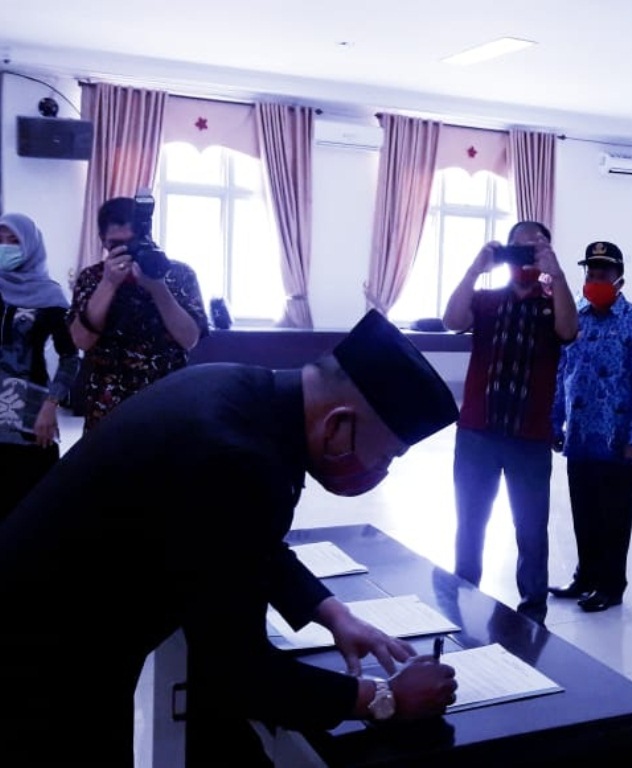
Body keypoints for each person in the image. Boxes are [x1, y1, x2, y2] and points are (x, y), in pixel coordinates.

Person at [0, 309, 461, 766]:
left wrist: (333, 613)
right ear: (337, 425)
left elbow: (242, 540)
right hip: (43, 662)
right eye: (386, 456)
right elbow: (237, 670)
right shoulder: (237, 457)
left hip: (60, 628)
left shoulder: (242, 390)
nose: (380, 471)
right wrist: (383, 697)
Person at [444, 220, 578, 625]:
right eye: (520, 249)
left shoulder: (552, 303)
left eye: (535, 250)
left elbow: (569, 330)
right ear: (505, 253)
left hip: (529, 436)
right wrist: (474, 269)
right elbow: (452, 319)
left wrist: (557, 275)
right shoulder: (486, 300)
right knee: (470, 521)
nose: (527, 258)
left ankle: (533, 612)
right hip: (477, 432)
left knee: (531, 528)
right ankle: (462, 594)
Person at [548, 241, 632, 612]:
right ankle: (586, 575)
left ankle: (611, 585)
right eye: (591, 274)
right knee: (583, 510)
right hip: (580, 436)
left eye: (603, 275)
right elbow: (563, 372)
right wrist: (555, 420)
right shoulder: (575, 318)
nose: (595, 281)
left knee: (614, 515)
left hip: (617, 440)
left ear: (619, 280)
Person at [68, 196, 209, 432]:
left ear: (148, 236)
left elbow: (189, 339)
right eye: (116, 245)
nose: (127, 251)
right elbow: (81, 340)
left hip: (167, 403)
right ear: (103, 241)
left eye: (133, 242)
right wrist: (108, 284)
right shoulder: (91, 278)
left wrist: (157, 287)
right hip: (107, 406)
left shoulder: (179, 275)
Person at [0, 213, 80, 520]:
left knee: (28, 504)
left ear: (31, 246)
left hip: (29, 413)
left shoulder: (49, 295)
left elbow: (70, 357)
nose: (5, 246)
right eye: (0, 239)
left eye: (14, 240)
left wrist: (51, 405)